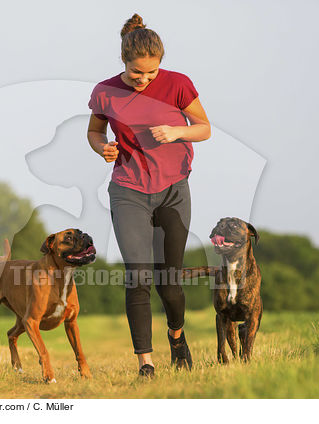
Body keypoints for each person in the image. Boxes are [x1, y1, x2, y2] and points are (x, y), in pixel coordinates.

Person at [87, 13, 211, 378]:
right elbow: (94, 131)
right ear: (124, 62)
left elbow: (203, 128)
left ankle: (176, 335)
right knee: (138, 275)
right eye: (137, 73)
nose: (144, 80)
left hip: (173, 190)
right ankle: (146, 363)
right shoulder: (105, 91)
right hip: (128, 190)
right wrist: (102, 148)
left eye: (151, 73)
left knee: (169, 282)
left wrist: (176, 132)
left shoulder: (178, 85)